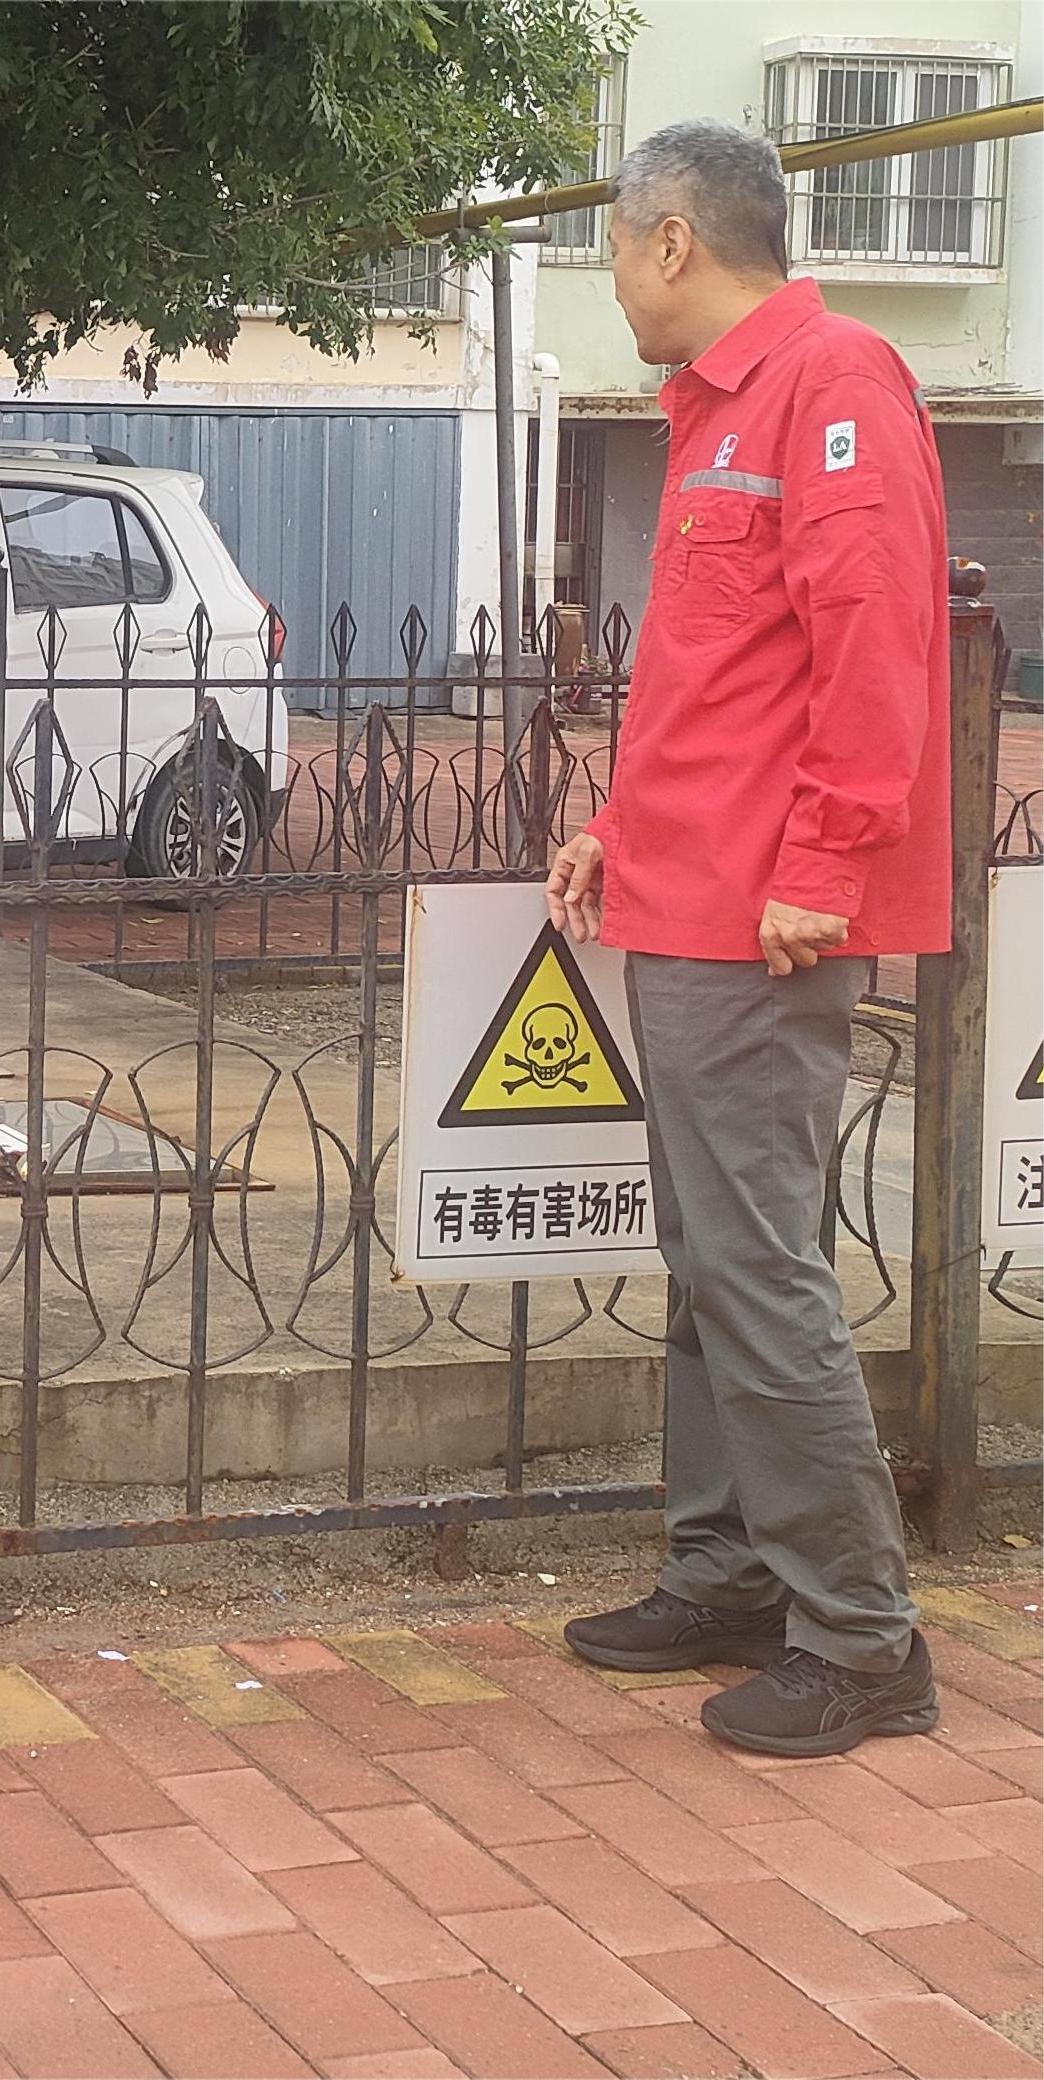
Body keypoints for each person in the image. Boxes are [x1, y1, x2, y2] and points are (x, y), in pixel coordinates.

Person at [546, 119, 950, 1756]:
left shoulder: (832, 384)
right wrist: (619, 825)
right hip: (694, 895)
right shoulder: (718, 410)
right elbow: (719, 680)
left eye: (612, 249)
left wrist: (826, 860)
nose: (613, 283)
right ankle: (727, 1572)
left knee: (759, 1266)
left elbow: (877, 647)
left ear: (671, 240)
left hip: (764, 924)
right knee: (712, 1259)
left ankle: (861, 1635)